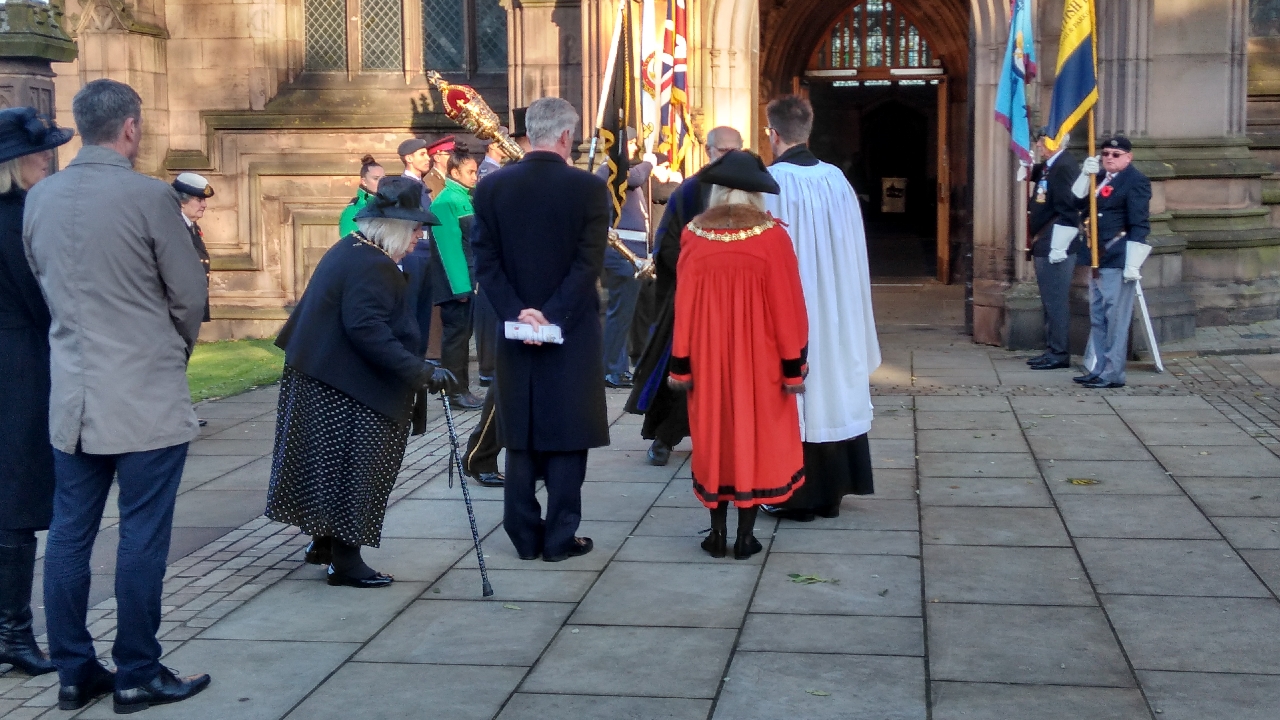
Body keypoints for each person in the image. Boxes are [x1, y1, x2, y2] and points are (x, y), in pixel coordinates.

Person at [24, 79, 211, 713]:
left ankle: (74, 671)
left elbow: (44, 283)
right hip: (143, 393)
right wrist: (172, 349)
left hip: (73, 392)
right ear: (129, 128)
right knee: (140, 535)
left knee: (71, 536)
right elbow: (189, 296)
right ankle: (136, 670)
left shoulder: (40, 197)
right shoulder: (150, 197)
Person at [266, 176, 454, 588]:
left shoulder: (353, 248)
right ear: (395, 227)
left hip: (325, 376)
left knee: (329, 470)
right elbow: (367, 329)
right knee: (357, 469)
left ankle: (327, 545)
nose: (420, 237)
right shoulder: (372, 263)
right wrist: (421, 370)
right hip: (341, 385)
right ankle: (346, 562)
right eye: (416, 228)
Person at [472, 96, 610, 562]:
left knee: (522, 430)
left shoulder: (491, 188)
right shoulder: (589, 189)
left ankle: (523, 535)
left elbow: (485, 262)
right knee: (568, 434)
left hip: (514, 329)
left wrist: (518, 314)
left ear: (530, 132)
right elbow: (587, 263)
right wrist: (550, 315)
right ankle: (559, 537)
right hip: (570, 329)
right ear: (567, 137)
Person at [667, 150, 809, 559]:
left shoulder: (694, 234)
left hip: (709, 359)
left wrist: (682, 360)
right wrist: (792, 363)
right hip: (761, 359)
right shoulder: (773, 237)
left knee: (716, 437)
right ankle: (746, 537)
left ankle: (716, 535)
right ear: (756, 196)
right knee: (754, 438)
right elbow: (789, 306)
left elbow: (685, 304)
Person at [759, 95, 881, 523]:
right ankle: (833, 492)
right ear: (807, 131)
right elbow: (855, 251)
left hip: (793, 308)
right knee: (834, 386)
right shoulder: (839, 181)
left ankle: (796, 494)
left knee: (799, 393)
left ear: (772, 134)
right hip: (837, 305)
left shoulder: (769, 184)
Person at [0, 107, 73, 679]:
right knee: (15, 504)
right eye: (39, 153)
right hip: (18, 368)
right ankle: (13, 633)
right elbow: (42, 298)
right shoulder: (15, 217)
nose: (47, 161)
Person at [626, 126, 742, 466]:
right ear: (708, 151)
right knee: (683, 371)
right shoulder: (691, 191)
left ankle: (729, 439)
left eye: (735, 151)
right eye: (723, 151)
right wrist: (702, 271)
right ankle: (664, 437)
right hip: (695, 300)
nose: (729, 158)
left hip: (739, 300)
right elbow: (667, 245)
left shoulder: (750, 190)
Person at [461, 108, 531, 489]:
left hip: (535, 297)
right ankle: (479, 455)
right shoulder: (498, 184)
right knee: (507, 384)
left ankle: (495, 454)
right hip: (511, 296)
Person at [1075, 135, 1151, 389]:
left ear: (1128, 157)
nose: (1109, 158)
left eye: (1115, 155)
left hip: (1116, 258)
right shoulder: (1098, 179)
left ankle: (1113, 373)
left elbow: (1139, 224)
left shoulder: (1136, 181)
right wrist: (1084, 178)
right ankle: (1098, 368)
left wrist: (1133, 263)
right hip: (1096, 258)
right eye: (1105, 153)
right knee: (1098, 317)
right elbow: (1077, 204)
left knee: (1115, 319)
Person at [595, 130, 653, 388]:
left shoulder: (619, 172)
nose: (633, 147)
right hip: (621, 253)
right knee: (620, 313)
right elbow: (638, 176)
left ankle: (616, 367)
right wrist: (650, 160)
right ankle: (611, 369)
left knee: (623, 314)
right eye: (629, 143)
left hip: (633, 251)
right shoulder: (612, 170)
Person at [429, 146, 484, 410]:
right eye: (470, 172)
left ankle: (463, 389)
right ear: (454, 171)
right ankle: (454, 393)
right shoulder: (446, 201)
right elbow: (449, 249)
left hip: (468, 281)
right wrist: (461, 288)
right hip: (456, 284)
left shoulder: (462, 196)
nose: (475, 176)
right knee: (455, 339)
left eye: (476, 171)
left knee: (463, 338)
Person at [1025, 132, 1083, 371]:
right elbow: (1044, 174)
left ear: (1056, 142)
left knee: (1056, 301)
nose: (1038, 145)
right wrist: (1028, 165)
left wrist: (1061, 241)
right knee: (1049, 300)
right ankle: (1052, 348)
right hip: (1046, 240)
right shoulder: (1053, 165)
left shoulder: (1064, 166)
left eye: (1042, 141)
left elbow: (1069, 207)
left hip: (1055, 240)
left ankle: (1059, 352)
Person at [172, 172, 215, 323]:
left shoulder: (192, 227)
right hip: (176, 310)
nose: (204, 205)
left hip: (189, 308)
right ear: (182, 201)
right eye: (199, 199)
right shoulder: (173, 228)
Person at [338, 155, 385, 237]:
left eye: (383, 178)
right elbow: (348, 243)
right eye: (376, 178)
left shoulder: (390, 205)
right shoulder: (353, 210)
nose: (381, 182)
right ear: (364, 181)